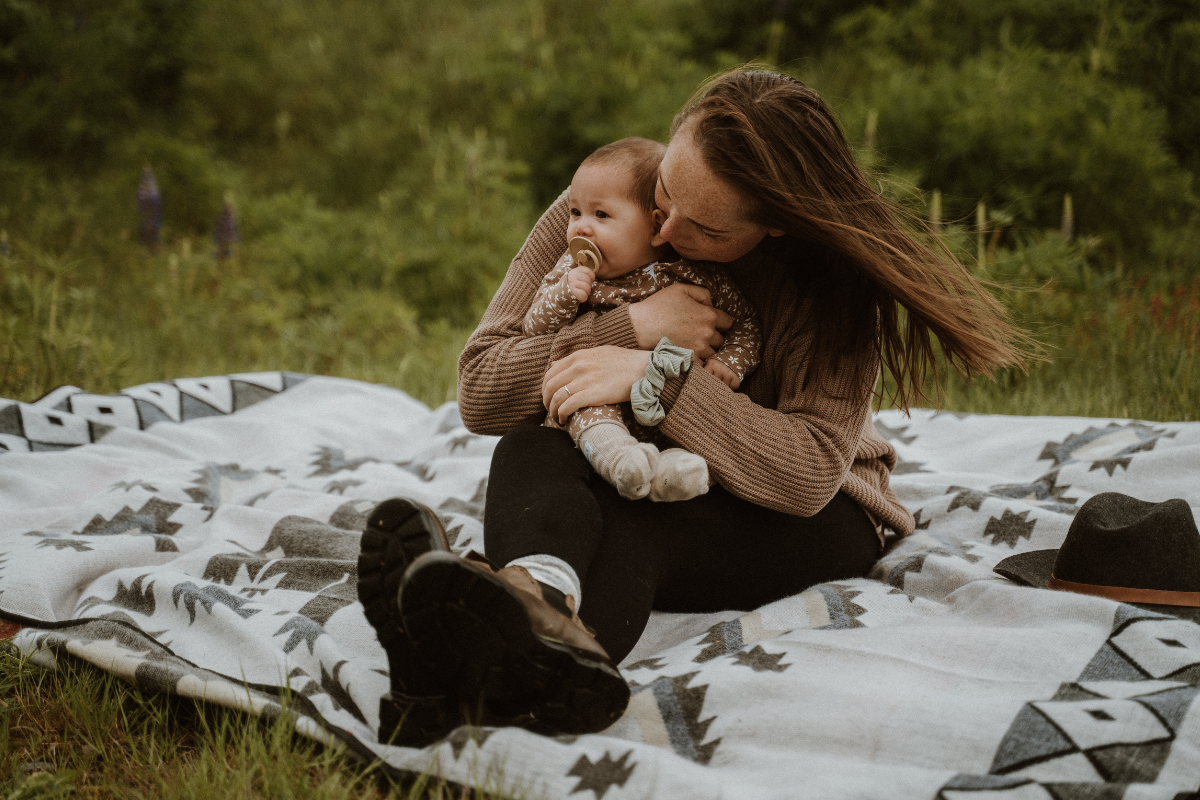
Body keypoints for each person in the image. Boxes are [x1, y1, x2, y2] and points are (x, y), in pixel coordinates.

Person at [357, 68, 1029, 746]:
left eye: (702, 226)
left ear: (775, 229)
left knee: (634, 522)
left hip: (814, 512)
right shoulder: (605, 199)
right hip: (637, 458)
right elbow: (481, 388)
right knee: (530, 450)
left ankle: (473, 658)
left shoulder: (828, 283)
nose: (666, 227)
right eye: (664, 195)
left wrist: (657, 375)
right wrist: (634, 327)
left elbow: (807, 472)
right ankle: (526, 617)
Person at [524, 136, 761, 503]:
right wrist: (566, 295)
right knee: (583, 404)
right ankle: (620, 460)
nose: (581, 228)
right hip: (598, 402)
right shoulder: (572, 270)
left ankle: (675, 474)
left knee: (699, 432)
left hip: (675, 412)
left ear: (655, 227)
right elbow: (533, 327)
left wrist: (730, 363)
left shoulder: (694, 275)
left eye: (601, 215)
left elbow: (743, 324)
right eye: (575, 213)